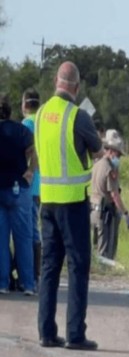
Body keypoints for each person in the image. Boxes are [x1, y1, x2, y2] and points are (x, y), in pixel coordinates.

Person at [35, 61, 103, 350]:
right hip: (73, 202)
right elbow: (99, 151)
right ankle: (75, 334)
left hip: (46, 201)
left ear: (55, 82)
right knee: (78, 266)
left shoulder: (39, 114)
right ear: (76, 87)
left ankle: (46, 332)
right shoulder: (77, 116)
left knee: (50, 267)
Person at [0, 94, 37, 295]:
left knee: (1, 240)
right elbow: (34, 154)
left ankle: (3, 283)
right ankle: (28, 283)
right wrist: (30, 172)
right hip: (19, 188)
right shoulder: (22, 131)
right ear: (10, 110)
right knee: (23, 238)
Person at [90, 129, 129, 260]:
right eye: (118, 155)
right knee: (105, 253)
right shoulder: (109, 168)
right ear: (112, 151)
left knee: (96, 248)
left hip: (93, 211)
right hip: (105, 213)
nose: (118, 158)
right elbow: (114, 195)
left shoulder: (97, 164)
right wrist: (124, 212)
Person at [22, 88, 42, 287]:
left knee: (29, 230)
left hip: (28, 183)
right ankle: (35, 271)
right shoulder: (43, 122)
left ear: (24, 105)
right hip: (43, 185)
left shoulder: (26, 124)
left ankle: (32, 273)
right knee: (35, 227)